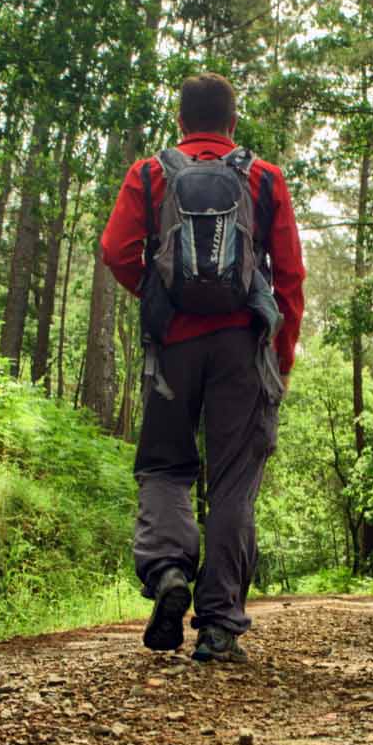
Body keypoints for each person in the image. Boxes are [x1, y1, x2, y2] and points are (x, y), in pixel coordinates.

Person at [100, 73, 305, 663]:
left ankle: (167, 571)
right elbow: (289, 278)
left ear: (182, 121)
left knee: (165, 466)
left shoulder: (150, 172)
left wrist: (157, 294)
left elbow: (116, 250)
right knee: (235, 482)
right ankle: (218, 627)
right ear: (233, 122)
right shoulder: (264, 178)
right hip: (241, 348)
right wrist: (280, 359)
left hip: (172, 349)